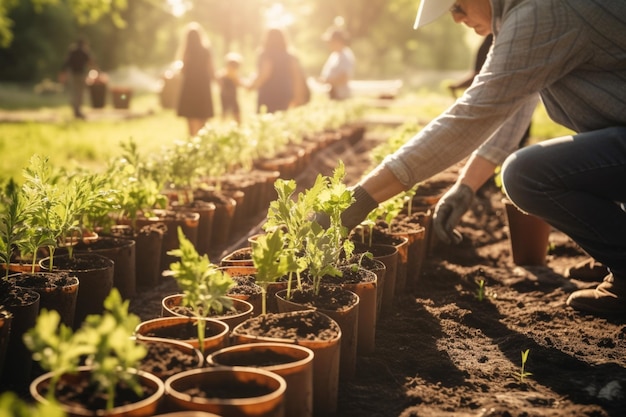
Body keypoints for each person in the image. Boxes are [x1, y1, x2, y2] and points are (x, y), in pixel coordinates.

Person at [332, 0, 626, 317]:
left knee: (525, 175)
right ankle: (613, 252)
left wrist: (361, 199)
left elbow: (470, 117)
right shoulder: (535, 14)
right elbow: (514, 107)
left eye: (458, 6)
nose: (457, 18)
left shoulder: (545, 12)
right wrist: (466, 185)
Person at [176, 22, 216, 136]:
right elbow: (211, 70)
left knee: (191, 117)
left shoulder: (187, 51)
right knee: (203, 117)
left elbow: (183, 70)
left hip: (190, 88)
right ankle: (202, 143)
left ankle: (193, 143)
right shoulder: (206, 50)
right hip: (203, 87)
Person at [247, 27, 298, 113]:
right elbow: (296, 77)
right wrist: (296, 96)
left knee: (265, 119)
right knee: (282, 119)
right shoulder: (289, 55)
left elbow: (264, 74)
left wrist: (251, 86)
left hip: (268, 94)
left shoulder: (266, 54)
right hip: (285, 92)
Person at [60, 38, 94, 119]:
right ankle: (77, 110)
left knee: (74, 92)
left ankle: (76, 109)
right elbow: (90, 62)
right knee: (80, 93)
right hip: (81, 74)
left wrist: (62, 72)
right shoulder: (84, 52)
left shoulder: (72, 51)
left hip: (73, 74)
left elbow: (66, 63)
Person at [319, 27, 355, 100]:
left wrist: (327, 81)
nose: (328, 44)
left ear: (337, 41)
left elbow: (344, 78)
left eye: (330, 41)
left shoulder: (346, 56)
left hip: (341, 97)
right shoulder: (334, 55)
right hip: (333, 95)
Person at [218, 52, 243, 124]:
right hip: (224, 97)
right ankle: (222, 126)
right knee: (224, 113)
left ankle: (238, 128)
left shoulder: (235, 76)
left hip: (233, 97)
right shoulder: (223, 74)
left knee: (236, 113)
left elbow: (239, 83)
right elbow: (219, 81)